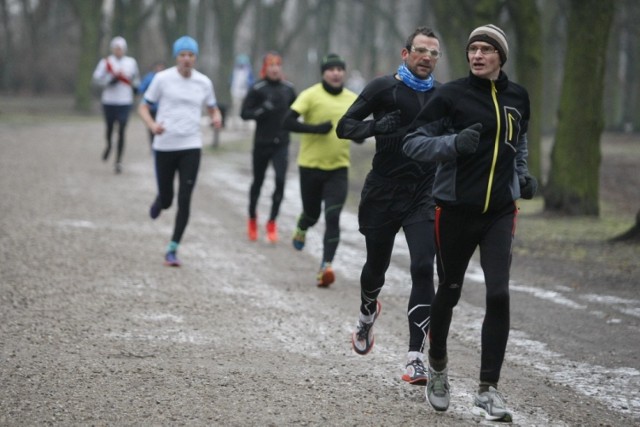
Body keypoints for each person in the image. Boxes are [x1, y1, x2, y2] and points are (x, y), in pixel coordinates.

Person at [402, 24, 538, 422]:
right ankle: (439, 369)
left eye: (486, 50)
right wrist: (452, 145)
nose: (477, 55)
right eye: (473, 49)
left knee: (498, 294)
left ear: (501, 57)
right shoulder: (450, 96)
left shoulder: (518, 97)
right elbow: (414, 142)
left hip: (499, 211)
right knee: (450, 290)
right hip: (455, 208)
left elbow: (519, 139)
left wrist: (523, 175)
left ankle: (488, 390)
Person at [335, 27, 441, 386]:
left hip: (423, 194)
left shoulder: (443, 97)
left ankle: (415, 358)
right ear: (405, 53)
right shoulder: (383, 87)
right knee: (376, 267)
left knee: (424, 266)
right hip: (383, 191)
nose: (427, 57)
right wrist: (375, 126)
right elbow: (344, 126)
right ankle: (367, 313)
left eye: (434, 53)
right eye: (421, 50)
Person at [138, 36, 223, 267]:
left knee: (185, 199)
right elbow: (144, 106)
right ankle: (160, 200)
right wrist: (152, 125)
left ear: (195, 58)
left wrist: (216, 118)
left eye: (190, 55)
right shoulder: (162, 79)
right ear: (176, 57)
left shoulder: (203, 82)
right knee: (168, 200)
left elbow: (213, 108)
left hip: (191, 146)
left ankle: (173, 248)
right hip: (165, 145)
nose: (186, 59)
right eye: (182, 55)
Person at [282, 53, 359, 287]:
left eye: (339, 69)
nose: (336, 73)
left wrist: (359, 134)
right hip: (310, 167)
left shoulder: (353, 99)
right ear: (323, 73)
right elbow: (288, 122)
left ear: (344, 73)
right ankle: (303, 225)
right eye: (331, 69)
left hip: (338, 168)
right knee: (313, 214)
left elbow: (360, 126)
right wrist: (316, 129)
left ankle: (326, 266)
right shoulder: (311, 95)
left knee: (333, 216)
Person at [240, 52, 297, 243]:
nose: (275, 68)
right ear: (265, 68)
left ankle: (272, 222)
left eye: (278, 65)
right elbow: (244, 114)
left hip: (281, 144)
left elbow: (296, 113)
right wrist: (262, 110)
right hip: (262, 143)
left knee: (280, 181)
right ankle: (252, 219)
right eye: (271, 65)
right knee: (258, 182)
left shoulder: (289, 89)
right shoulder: (257, 88)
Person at [92, 36, 140, 174]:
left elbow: (136, 78)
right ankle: (108, 145)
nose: (119, 51)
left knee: (122, 130)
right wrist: (108, 81)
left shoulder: (131, 62)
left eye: (121, 48)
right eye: (116, 48)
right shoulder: (105, 62)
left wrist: (136, 88)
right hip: (109, 101)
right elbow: (96, 79)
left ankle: (118, 161)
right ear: (113, 49)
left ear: (124, 49)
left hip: (125, 102)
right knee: (109, 128)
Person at [138, 61, 166, 146]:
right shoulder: (149, 78)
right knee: (152, 127)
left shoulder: (166, 78)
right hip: (152, 107)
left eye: (161, 67)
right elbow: (141, 89)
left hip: (162, 108)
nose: (159, 69)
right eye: (158, 67)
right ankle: (153, 145)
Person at [230, 54, 255, 130]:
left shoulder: (248, 71)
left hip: (245, 92)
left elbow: (252, 82)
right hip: (236, 92)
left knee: (245, 108)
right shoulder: (235, 71)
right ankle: (235, 125)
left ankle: (245, 125)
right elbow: (231, 81)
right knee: (236, 109)